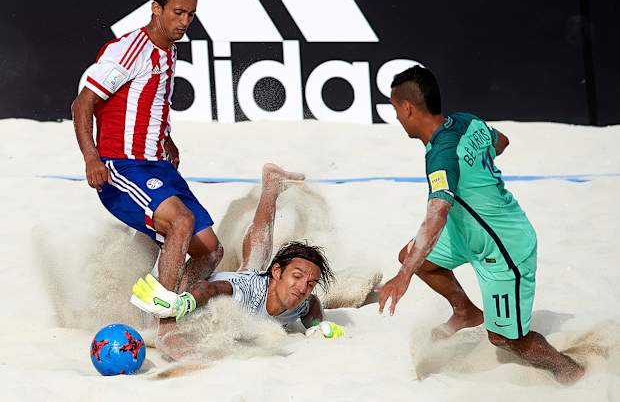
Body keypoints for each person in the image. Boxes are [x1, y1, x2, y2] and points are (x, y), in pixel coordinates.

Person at [378, 65, 584, 384]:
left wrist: (402, 278)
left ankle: (570, 370)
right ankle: (465, 312)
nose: (396, 116)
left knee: (504, 339)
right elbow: (502, 142)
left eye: (395, 108)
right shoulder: (467, 121)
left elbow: (437, 215)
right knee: (413, 257)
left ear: (407, 108)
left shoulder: (441, 155)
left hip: (504, 246)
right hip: (467, 231)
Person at [70, 0, 223, 358]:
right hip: (121, 167)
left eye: (191, 15)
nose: (185, 22)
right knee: (181, 222)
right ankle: (166, 327)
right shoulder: (129, 49)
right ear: (156, 9)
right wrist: (91, 158)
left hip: (157, 165)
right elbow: (82, 104)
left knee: (210, 251)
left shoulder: (169, 50)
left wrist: (166, 138)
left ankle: (161, 304)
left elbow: (150, 102)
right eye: (178, 13)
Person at [131, 163, 342, 343]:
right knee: (247, 270)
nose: (303, 288)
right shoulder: (247, 293)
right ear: (277, 272)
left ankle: (272, 186)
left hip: (249, 283)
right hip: (188, 293)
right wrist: (184, 303)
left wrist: (318, 325)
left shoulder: (298, 301)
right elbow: (209, 288)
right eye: (297, 277)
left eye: (310, 283)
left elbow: (311, 304)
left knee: (252, 266)